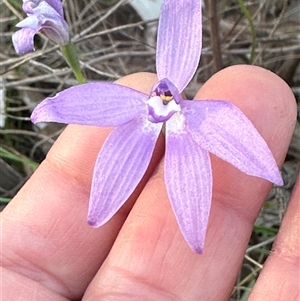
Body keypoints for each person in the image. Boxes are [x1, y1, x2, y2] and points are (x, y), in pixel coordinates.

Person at [1, 65, 298, 300]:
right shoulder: (135, 106)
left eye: (165, 95)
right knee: (103, 205)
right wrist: (48, 110)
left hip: (195, 121)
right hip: (141, 125)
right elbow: (58, 108)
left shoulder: (204, 118)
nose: (162, 98)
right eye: (160, 95)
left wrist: (268, 169)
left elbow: (250, 153)